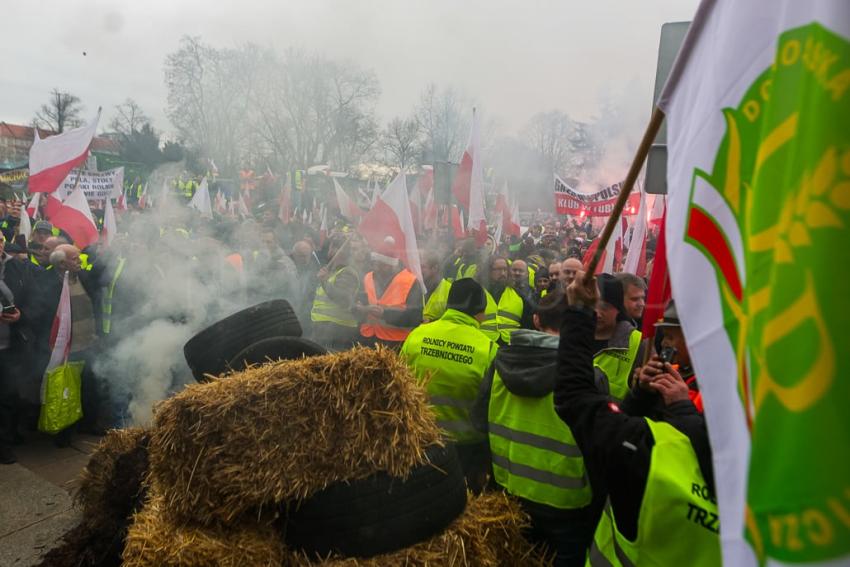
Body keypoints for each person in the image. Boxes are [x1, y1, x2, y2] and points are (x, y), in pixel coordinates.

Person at [555, 272, 720, 566]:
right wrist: (640, 396)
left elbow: (575, 399)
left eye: (671, 337)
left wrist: (682, 411)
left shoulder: (710, 401)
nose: (664, 346)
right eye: (663, 336)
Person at [472, 293, 596, 566]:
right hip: (566, 505)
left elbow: (480, 422)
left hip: (509, 491)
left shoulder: (499, 362)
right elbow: (600, 447)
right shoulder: (589, 374)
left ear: (537, 319)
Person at [401, 278, 498, 491]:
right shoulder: (488, 349)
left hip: (419, 440)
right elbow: (491, 407)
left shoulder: (417, 335)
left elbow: (399, 383)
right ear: (480, 312)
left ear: (449, 305)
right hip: (464, 450)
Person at [0, 232, 33, 464]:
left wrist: (21, 315)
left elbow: (30, 298)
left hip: (8, 346)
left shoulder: (16, 267)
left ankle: (4, 444)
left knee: (8, 396)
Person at [355, 237, 422, 348]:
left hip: (396, 344)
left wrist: (384, 314)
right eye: (375, 264)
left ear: (392, 265)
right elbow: (357, 303)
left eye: (382, 265)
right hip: (367, 341)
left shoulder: (410, 281)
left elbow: (415, 317)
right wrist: (359, 308)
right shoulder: (368, 277)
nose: (377, 269)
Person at [593, 274, 643, 401]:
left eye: (604, 307)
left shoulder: (639, 343)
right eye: (592, 305)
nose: (597, 313)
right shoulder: (570, 332)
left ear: (619, 309)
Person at [310, 236, 362, 350]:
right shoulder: (330, 271)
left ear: (336, 250)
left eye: (331, 247)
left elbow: (343, 299)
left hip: (337, 331)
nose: (329, 251)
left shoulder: (348, 273)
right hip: (323, 329)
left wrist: (324, 281)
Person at [479, 256, 534, 344]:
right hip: (482, 344)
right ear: (488, 271)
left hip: (510, 347)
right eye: (499, 269)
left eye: (505, 269)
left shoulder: (518, 295)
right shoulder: (477, 292)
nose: (503, 273)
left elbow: (528, 323)